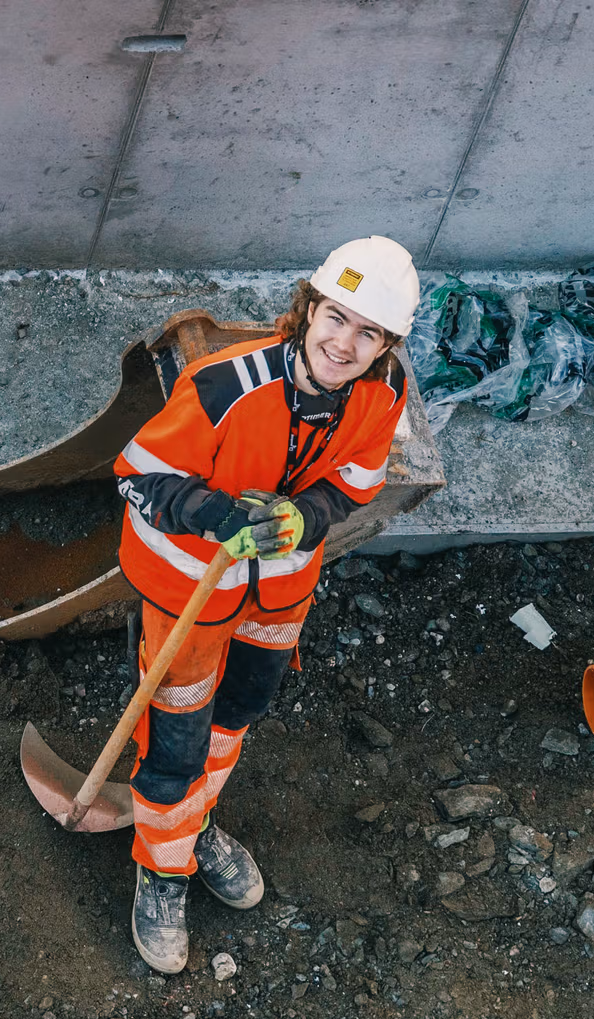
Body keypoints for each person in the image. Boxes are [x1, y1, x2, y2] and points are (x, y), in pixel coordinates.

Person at [110, 236, 417, 974]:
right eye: (335, 318)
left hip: (278, 592)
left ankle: (196, 825)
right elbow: (136, 472)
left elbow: (357, 480)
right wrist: (210, 512)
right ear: (306, 309)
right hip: (192, 589)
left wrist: (304, 518)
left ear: (386, 345)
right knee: (176, 743)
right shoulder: (224, 386)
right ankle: (163, 871)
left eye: (367, 331)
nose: (344, 343)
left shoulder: (383, 393)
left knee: (235, 718)